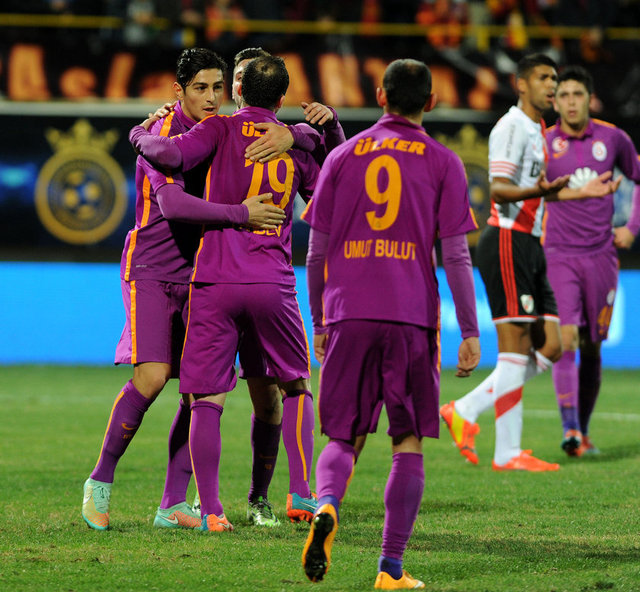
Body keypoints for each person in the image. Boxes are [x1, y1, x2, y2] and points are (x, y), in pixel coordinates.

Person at [81, 48, 288, 532]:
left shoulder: (221, 132)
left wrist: (296, 132)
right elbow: (173, 205)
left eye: (218, 87)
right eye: (200, 88)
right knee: (153, 377)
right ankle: (99, 480)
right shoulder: (161, 135)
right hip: (153, 267)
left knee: (198, 389)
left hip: (202, 272)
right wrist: (242, 214)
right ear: (179, 91)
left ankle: (173, 503)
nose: (211, 98)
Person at [300, 58, 481, 589]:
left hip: (348, 311)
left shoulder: (342, 156)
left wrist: (320, 320)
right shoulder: (444, 162)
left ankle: (326, 505)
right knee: (408, 441)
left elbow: (315, 253)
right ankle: (390, 569)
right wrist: (470, 330)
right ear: (431, 102)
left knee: (343, 435)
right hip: (410, 315)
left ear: (380, 95)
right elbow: (456, 256)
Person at [129, 55, 321, 533]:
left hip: (215, 281)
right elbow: (326, 201)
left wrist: (137, 134)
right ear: (281, 99)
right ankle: (301, 492)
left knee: (207, 398)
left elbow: (170, 156)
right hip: (273, 282)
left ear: (237, 92)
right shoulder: (291, 143)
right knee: (295, 386)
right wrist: (308, 134)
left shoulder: (218, 129)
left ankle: (212, 510)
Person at [439, 53, 621, 472]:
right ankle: (505, 450)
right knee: (515, 351)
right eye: (543, 78)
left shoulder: (538, 129)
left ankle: (466, 410)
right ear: (521, 84)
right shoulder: (511, 127)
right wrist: (541, 190)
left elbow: (538, 190)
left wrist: (580, 192)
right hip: (507, 239)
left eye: (554, 78)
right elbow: (500, 190)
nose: (551, 85)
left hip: (532, 243)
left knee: (552, 345)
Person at [544, 65, 640, 456]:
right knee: (566, 338)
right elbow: (530, 191)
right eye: (563, 95)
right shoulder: (544, 143)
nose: (570, 102)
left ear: (589, 98)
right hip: (559, 254)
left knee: (592, 347)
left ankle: (581, 431)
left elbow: (638, 178)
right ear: (555, 102)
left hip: (602, 257)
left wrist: (632, 226)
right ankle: (569, 430)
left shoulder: (613, 138)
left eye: (577, 95)